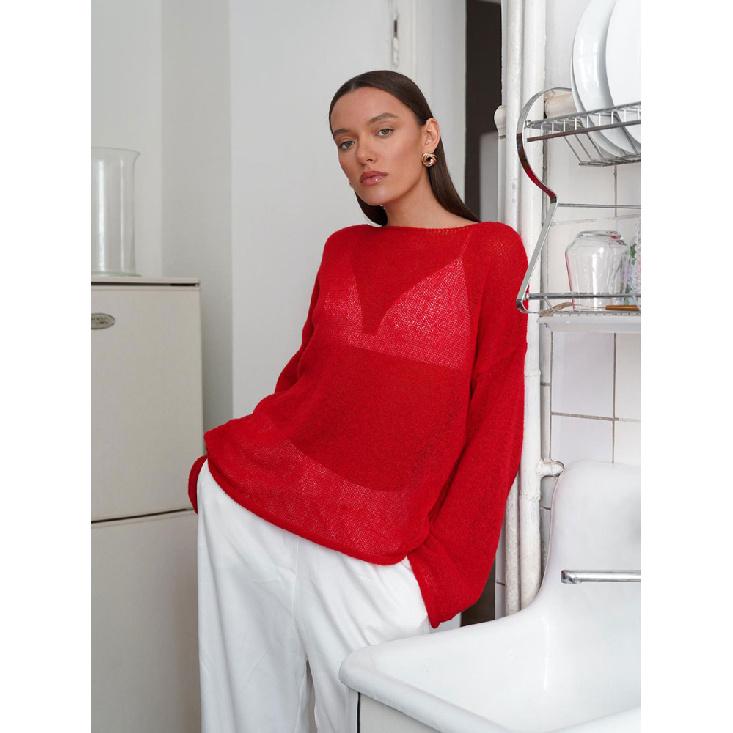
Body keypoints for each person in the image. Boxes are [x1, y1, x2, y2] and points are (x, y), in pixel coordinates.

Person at [188, 69, 529, 733]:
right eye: (344, 142)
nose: (362, 153)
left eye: (382, 130)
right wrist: (221, 473)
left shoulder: (491, 251)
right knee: (246, 712)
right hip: (265, 519)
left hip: (382, 557)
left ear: (428, 137)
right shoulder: (342, 249)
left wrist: (444, 575)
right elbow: (304, 386)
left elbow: (496, 422)